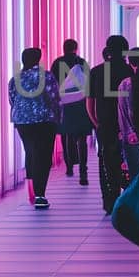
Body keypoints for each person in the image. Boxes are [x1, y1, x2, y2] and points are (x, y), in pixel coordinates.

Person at [9, 46, 61, 209]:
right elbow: (54, 98)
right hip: (44, 120)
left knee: (30, 151)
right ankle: (40, 194)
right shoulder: (46, 76)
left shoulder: (16, 79)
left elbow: (12, 99)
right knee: (43, 156)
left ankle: (31, 190)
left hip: (22, 121)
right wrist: (58, 118)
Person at [87, 35, 134, 214]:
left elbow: (89, 101)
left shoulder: (97, 71)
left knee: (106, 160)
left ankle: (109, 200)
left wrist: (96, 122)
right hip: (128, 124)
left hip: (105, 123)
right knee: (128, 160)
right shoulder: (130, 71)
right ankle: (127, 198)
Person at [52, 39, 91, 185]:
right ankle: (83, 171)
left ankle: (69, 167)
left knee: (67, 135)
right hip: (81, 103)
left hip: (65, 103)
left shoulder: (57, 63)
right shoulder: (81, 62)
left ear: (64, 48)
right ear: (76, 48)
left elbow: (53, 82)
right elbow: (88, 80)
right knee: (82, 138)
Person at [117, 47, 139, 178]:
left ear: (131, 63)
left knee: (136, 178)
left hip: (133, 137)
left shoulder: (126, 84)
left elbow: (123, 114)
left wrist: (129, 134)